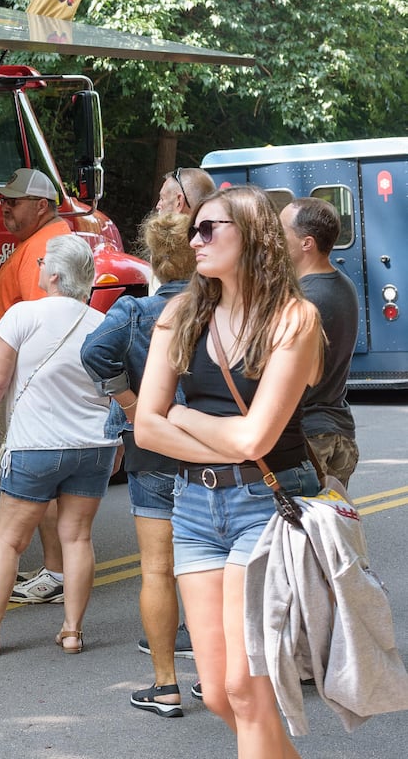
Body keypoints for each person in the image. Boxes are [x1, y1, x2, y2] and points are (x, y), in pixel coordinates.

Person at [134, 184, 323, 759]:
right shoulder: (182, 312)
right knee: (217, 693)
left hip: (265, 509)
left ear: (254, 236)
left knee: (246, 688)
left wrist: (185, 416)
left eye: (210, 228)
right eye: (194, 229)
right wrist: (228, 449)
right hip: (194, 508)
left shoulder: (295, 318)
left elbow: (256, 438)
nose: (194, 239)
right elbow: (145, 428)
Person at [0, 235, 117, 658]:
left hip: (36, 446)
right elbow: (113, 388)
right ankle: (71, 631)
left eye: (39, 266)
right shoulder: (101, 323)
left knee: (8, 541)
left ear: (53, 275)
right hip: (93, 445)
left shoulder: (23, 315)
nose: (36, 272)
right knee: (77, 539)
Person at [81, 211, 196, 717]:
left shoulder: (133, 312)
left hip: (150, 445)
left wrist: (130, 404)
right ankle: (213, 676)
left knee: (157, 568)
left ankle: (166, 684)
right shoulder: (219, 309)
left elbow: (93, 355)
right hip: (211, 446)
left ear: (152, 257)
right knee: (210, 563)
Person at [0, 167, 70, 605]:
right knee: (48, 487)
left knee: (43, 488)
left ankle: (56, 571)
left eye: (14, 201)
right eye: (4, 200)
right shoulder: (41, 242)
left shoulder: (43, 248)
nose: (5, 207)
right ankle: (56, 568)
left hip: (29, 389)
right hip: (30, 387)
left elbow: (40, 325)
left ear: (42, 206)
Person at [281, 196, 360, 488]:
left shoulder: (304, 299)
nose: (276, 238)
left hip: (309, 438)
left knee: (297, 532)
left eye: (282, 230)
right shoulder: (343, 284)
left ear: (307, 243)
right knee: (329, 529)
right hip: (338, 429)